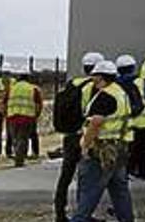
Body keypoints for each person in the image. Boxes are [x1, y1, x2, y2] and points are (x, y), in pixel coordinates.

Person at [71, 60, 135, 222]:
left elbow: (96, 122)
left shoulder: (105, 96)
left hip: (102, 150)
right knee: (120, 190)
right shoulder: (120, 93)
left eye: (94, 76)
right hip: (119, 148)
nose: (92, 79)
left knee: (90, 192)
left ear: (100, 77)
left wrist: (85, 145)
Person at [54, 52, 103, 222]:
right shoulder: (94, 87)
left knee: (65, 176)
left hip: (69, 136)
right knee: (86, 176)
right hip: (84, 137)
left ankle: (60, 213)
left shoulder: (72, 84)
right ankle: (83, 214)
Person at [115, 55, 145, 179]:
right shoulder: (141, 82)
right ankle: (144, 173)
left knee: (127, 150)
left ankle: (126, 171)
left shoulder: (114, 84)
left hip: (124, 123)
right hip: (144, 121)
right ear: (133, 68)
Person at [4, 68, 43, 167]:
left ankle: (18, 155)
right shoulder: (32, 89)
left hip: (12, 116)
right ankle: (19, 159)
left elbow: (5, 102)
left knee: (15, 138)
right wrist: (36, 115)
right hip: (27, 117)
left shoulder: (12, 88)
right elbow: (38, 104)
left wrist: (7, 114)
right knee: (23, 138)